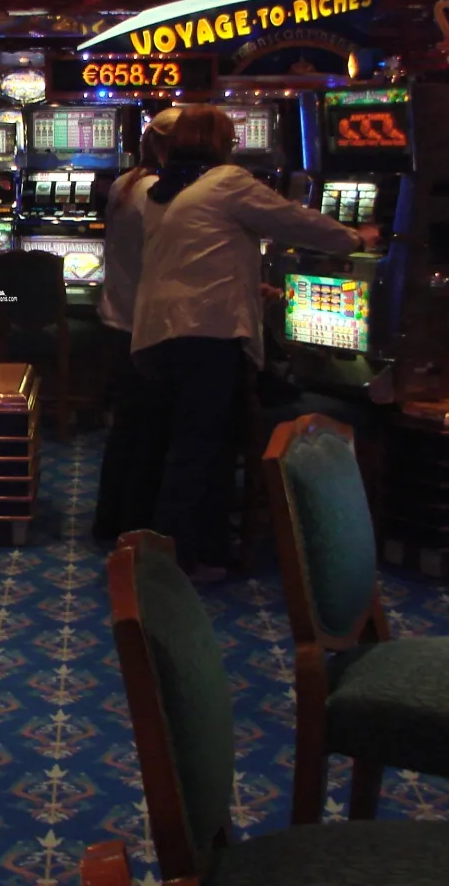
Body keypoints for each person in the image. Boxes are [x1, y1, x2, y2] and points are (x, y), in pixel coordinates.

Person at [131, 105, 379, 580]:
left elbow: (198, 256)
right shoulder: (227, 181)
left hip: (162, 331)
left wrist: (248, 286)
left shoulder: (168, 188)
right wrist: (357, 238)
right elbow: (295, 221)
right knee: (200, 449)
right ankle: (176, 562)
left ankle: (195, 550)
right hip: (204, 332)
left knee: (192, 445)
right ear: (223, 144)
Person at [92, 107, 179, 541]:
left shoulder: (126, 183)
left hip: (120, 316)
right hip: (146, 324)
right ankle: (138, 526)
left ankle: (113, 519)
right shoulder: (156, 193)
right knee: (148, 431)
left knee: (128, 429)